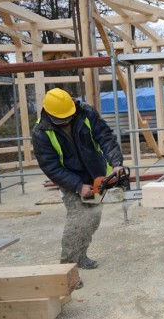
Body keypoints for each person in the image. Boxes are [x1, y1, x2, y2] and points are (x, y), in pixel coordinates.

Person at [32, 88, 124, 289]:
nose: (66, 121)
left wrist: (116, 163)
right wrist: (77, 186)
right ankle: (66, 269)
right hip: (71, 180)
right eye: (61, 119)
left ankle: (81, 255)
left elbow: (105, 138)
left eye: (68, 117)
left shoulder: (87, 113)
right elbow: (51, 166)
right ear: (50, 114)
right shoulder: (41, 132)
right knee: (77, 221)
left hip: (95, 176)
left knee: (93, 217)